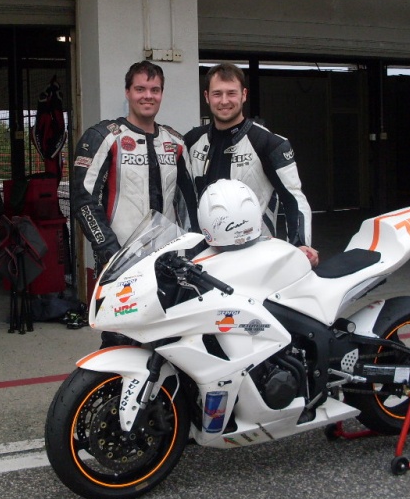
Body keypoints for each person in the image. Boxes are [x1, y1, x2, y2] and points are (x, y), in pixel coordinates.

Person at [71, 61, 198, 345]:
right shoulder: (104, 137)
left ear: (162, 94)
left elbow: (190, 205)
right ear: (127, 92)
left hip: (167, 263)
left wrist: (192, 253)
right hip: (120, 262)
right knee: (120, 343)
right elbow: (83, 200)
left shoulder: (175, 142)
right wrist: (109, 252)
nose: (147, 96)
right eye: (140, 89)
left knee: (169, 343)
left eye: (155, 90)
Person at [184, 62, 319, 266]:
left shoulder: (269, 143)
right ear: (207, 96)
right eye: (217, 94)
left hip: (255, 257)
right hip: (203, 256)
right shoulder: (192, 140)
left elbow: (293, 198)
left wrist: (300, 243)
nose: (224, 101)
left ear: (244, 95)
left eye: (231, 93)